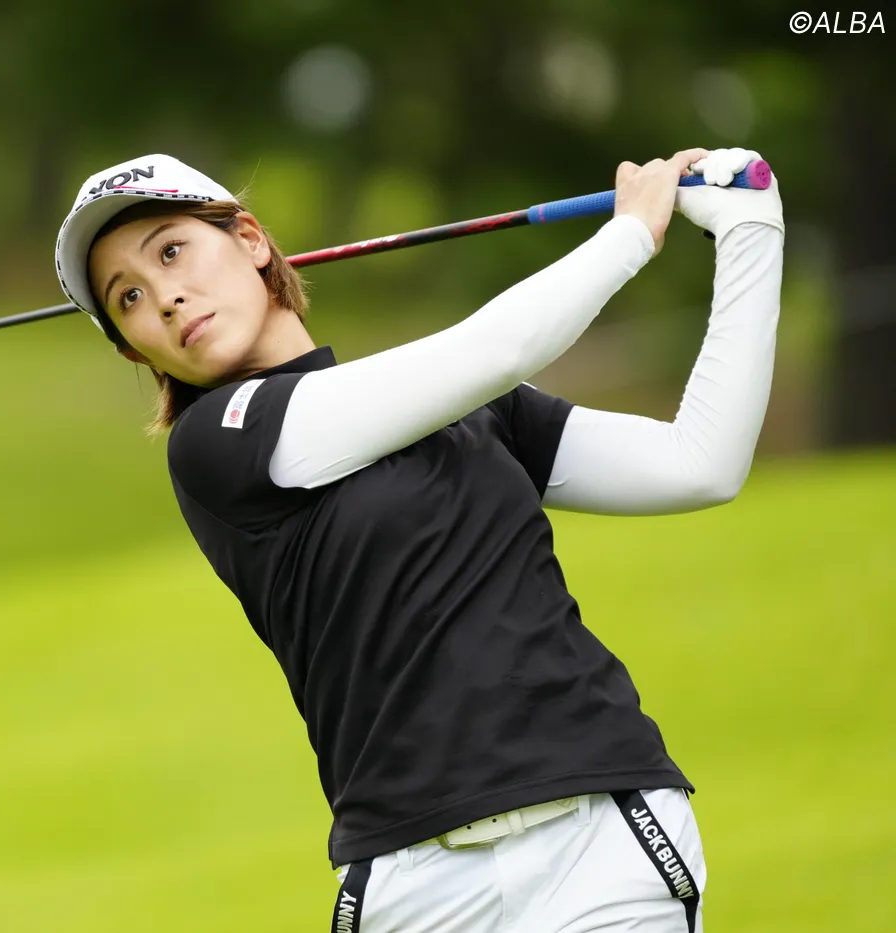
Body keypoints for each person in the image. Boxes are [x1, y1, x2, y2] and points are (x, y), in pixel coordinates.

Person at [53, 147, 784, 933]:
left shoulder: (473, 406)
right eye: (129, 296)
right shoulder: (217, 444)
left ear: (252, 240)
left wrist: (750, 230)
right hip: (414, 883)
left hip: (597, 840)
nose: (165, 297)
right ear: (133, 348)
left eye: (171, 251)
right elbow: (494, 350)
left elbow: (698, 463)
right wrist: (632, 231)